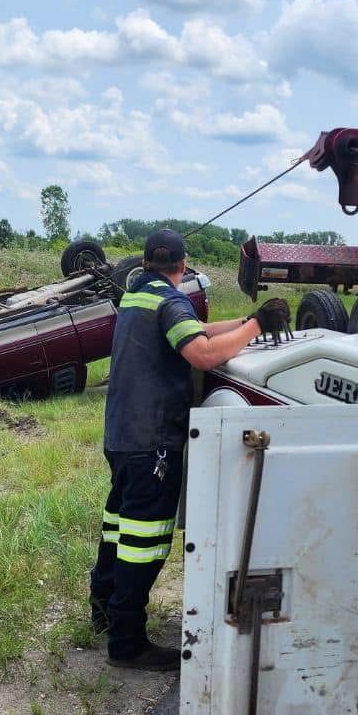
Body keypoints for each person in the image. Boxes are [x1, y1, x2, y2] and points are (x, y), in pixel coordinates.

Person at [89, 228, 270, 669]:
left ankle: (104, 611)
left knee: (119, 528)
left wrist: (244, 324)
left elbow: (199, 330)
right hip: (152, 442)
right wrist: (258, 327)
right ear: (184, 266)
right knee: (145, 541)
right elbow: (203, 353)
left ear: (147, 262)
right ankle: (128, 642)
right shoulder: (171, 302)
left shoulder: (137, 295)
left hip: (122, 437)